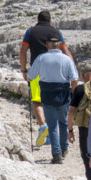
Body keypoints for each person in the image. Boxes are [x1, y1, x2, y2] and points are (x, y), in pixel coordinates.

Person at [21, 11, 71, 145]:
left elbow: (23, 50)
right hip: (56, 71)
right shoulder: (56, 32)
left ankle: (44, 126)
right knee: (53, 101)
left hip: (37, 70)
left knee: (37, 101)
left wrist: (24, 70)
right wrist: (71, 68)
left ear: (37, 19)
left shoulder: (31, 31)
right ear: (50, 21)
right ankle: (56, 132)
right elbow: (65, 51)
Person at [29, 37, 78, 164]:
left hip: (47, 94)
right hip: (63, 94)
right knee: (63, 122)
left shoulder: (41, 58)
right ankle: (64, 148)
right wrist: (74, 92)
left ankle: (56, 154)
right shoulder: (66, 59)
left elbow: (30, 76)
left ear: (47, 45)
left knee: (52, 125)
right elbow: (74, 78)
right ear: (60, 45)